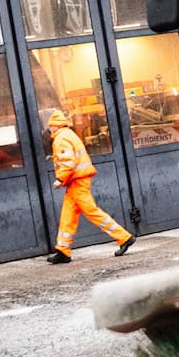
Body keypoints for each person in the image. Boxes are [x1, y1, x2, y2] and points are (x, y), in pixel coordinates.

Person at [45, 110, 135, 264]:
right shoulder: (69, 134)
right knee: (68, 215)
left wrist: (60, 179)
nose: (49, 130)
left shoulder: (61, 138)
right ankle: (62, 250)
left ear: (54, 126)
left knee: (92, 211)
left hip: (77, 181)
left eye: (50, 127)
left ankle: (124, 237)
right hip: (77, 181)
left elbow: (68, 161)